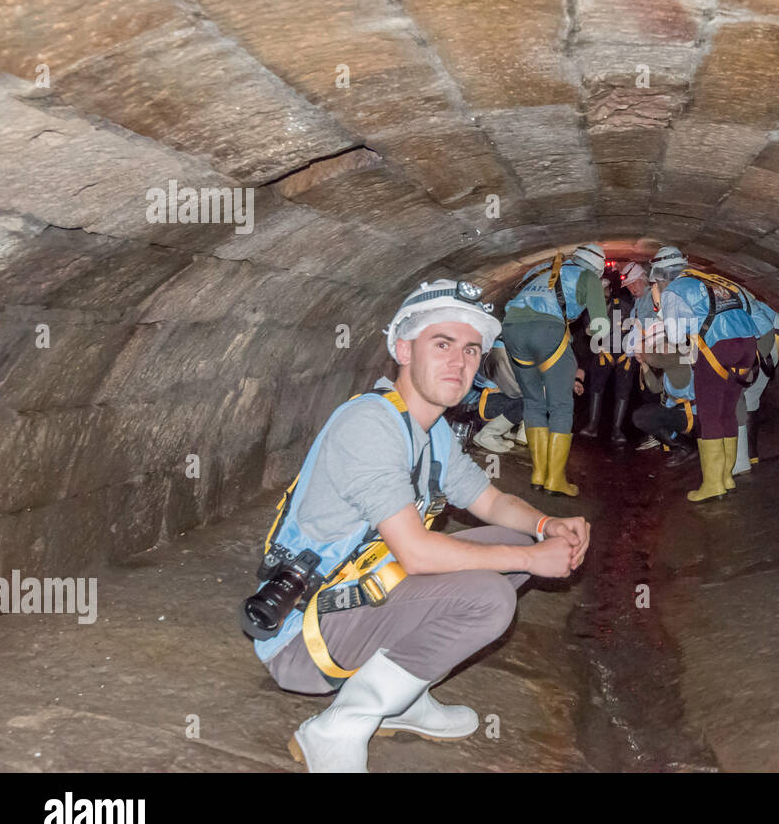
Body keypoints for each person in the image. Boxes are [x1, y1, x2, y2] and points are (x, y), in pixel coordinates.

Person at [247, 279, 591, 773]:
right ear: (404, 349)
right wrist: (532, 558)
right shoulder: (371, 425)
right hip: (306, 635)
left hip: (365, 593)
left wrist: (546, 525)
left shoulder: (430, 430)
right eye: (443, 344)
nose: (460, 362)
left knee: (515, 540)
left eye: (472, 349)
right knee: (492, 597)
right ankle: (340, 725)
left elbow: (489, 500)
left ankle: (402, 699)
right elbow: (417, 554)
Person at [650, 246, 759, 502]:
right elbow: (747, 307)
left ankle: (713, 484)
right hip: (746, 345)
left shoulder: (675, 290)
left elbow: (676, 335)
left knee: (709, 414)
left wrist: (660, 309)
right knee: (728, 410)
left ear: (660, 273)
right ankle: (727, 477)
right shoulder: (717, 279)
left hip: (716, 348)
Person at [502, 244, 608, 496]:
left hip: (512, 329)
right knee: (560, 405)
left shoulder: (544, 269)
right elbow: (601, 326)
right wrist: (593, 332)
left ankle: (538, 474)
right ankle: (555, 480)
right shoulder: (589, 277)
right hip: (548, 332)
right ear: (598, 268)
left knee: (533, 401)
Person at [579, 261, 646, 447]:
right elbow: (588, 332)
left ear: (610, 290)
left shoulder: (624, 305)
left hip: (625, 354)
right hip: (604, 353)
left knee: (622, 391)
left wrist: (630, 352)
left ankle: (617, 429)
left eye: (605, 290)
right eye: (599, 292)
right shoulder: (591, 311)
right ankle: (592, 425)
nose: (603, 294)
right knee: (596, 386)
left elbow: (636, 326)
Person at [733, 297, 779, 474]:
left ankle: (740, 462)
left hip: (772, 333)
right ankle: (750, 455)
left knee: (737, 393)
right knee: (748, 395)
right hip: (761, 332)